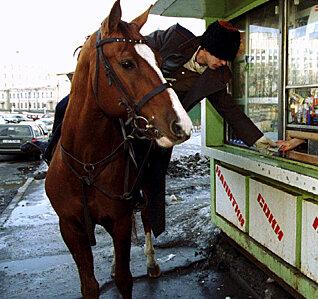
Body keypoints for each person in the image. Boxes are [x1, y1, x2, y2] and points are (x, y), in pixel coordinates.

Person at [22, 20, 301, 236]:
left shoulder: (216, 77)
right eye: (221, 56)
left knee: (155, 164)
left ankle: (141, 206)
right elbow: (130, 46)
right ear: (205, 48)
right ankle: (51, 155)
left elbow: (232, 112)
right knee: (65, 105)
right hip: (128, 98)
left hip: (159, 121)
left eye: (228, 60)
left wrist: (262, 142)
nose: (224, 63)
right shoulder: (173, 39)